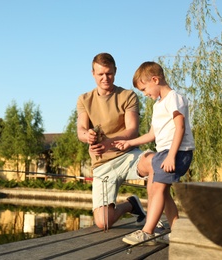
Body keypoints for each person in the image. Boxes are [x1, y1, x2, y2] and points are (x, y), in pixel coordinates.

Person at [113, 61, 195, 245]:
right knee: (158, 191)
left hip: (178, 152)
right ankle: (177, 230)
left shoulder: (174, 98)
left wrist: (172, 156)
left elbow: (180, 127)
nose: (145, 94)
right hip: (163, 152)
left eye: (144, 89)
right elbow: (152, 135)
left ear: (155, 79)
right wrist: (129, 142)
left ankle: (147, 232)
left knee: (158, 189)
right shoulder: (158, 105)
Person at [76, 53, 148, 230]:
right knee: (103, 223)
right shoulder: (84, 99)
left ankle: (155, 224)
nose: (105, 78)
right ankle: (131, 204)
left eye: (109, 73)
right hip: (102, 164)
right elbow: (81, 131)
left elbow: (132, 130)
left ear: (115, 71)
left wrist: (109, 143)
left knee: (154, 163)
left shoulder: (128, 95)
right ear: (93, 73)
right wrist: (88, 136)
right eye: (100, 74)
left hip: (128, 155)